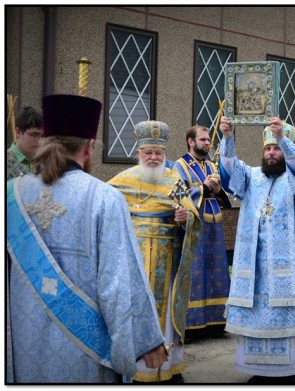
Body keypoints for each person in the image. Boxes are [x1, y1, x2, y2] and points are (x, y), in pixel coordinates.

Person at [7, 94, 167, 383]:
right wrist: (148, 340)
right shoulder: (105, 198)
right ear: (90, 147)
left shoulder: (11, 194)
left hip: (21, 340)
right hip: (86, 352)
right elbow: (118, 282)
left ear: (46, 139)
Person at [218, 116, 295, 384]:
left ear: (286, 150)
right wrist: (228, 138)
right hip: (255, 267)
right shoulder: (252, 177)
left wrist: (283, 138)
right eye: (268, 148)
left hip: (287, 268)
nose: (271, 153)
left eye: (277, 148)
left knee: (286, 317)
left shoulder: (294, 178)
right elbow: (229, 171)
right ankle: (258, 370)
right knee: (256, 316)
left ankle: (287, 372)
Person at [108, 120, 201, 384]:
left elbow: (193, 216)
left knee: (165, 315)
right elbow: (105, 214)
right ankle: (134, 369)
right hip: (132, 264)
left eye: (158, 153)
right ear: (138, 153)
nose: (153, 157)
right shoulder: (121, 181)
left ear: (164, 155)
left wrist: (186, 218)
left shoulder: (174, 179)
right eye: (148, 152)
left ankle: (167, 370)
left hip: (167, 261)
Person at [174, 125, 231, 337]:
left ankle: (217, 322)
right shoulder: (179, 165)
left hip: (215, 225)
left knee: (216, 269)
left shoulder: (211, 165)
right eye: (203, 140)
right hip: (194, 223)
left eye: (208, 140)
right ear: (191, 141)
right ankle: (193, 324)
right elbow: (178, 194)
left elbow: (222, 196)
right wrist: (205, 188)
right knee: (196, 270)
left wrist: (217, 190)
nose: (207, 143)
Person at [7, 106, 43, 180]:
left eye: (43, 136)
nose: (40, 141)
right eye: (34, 135)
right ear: (18, 132)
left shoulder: (46, 161)